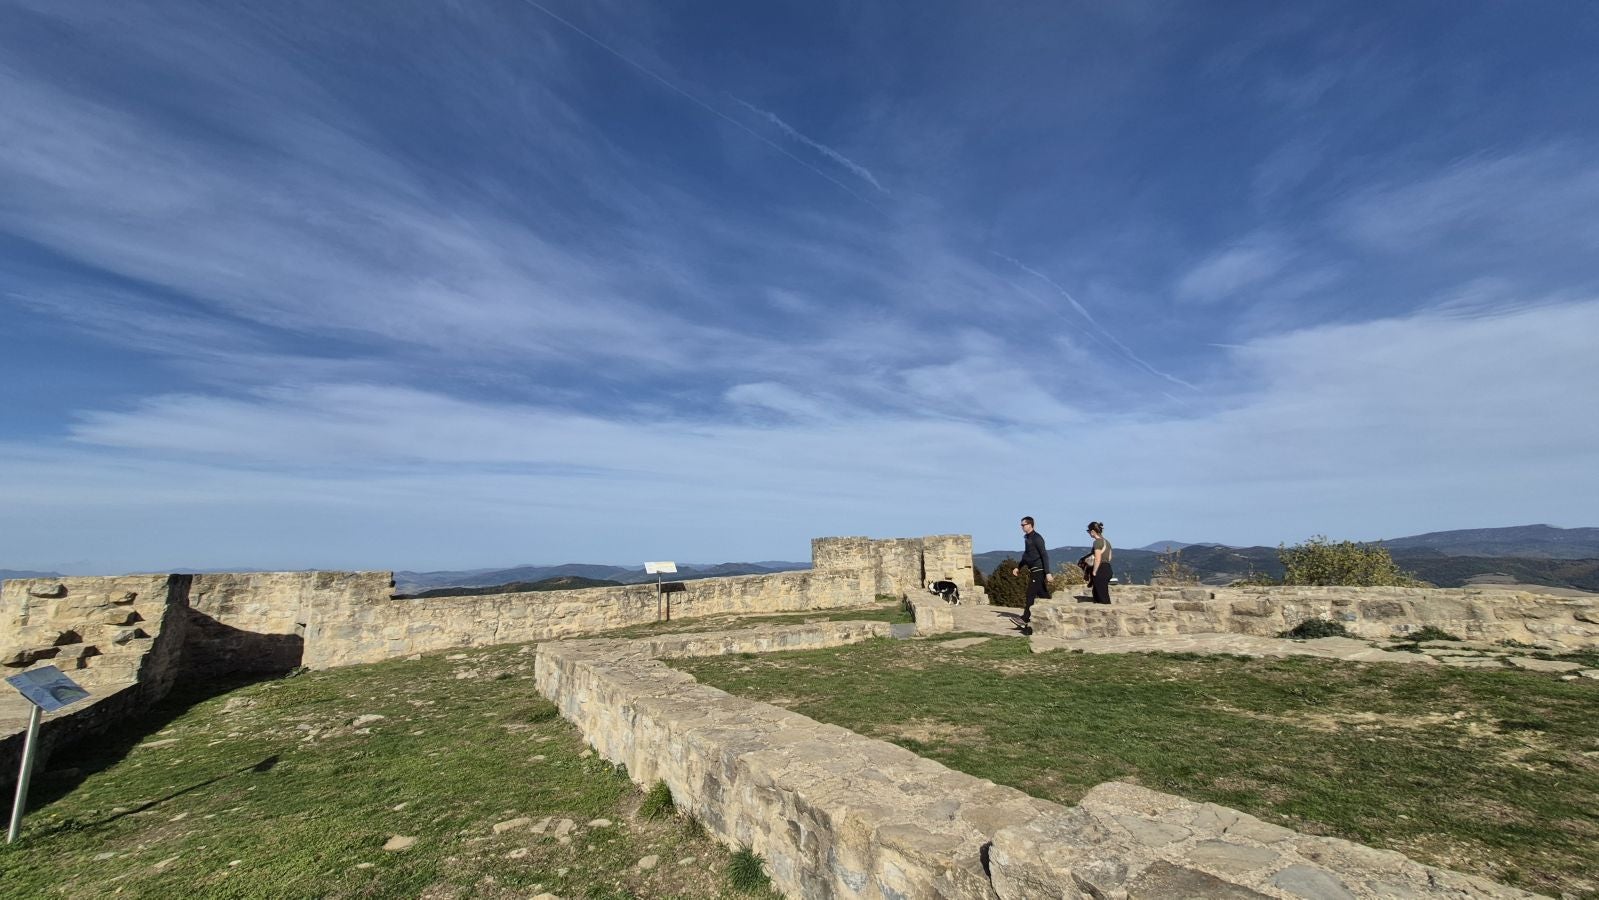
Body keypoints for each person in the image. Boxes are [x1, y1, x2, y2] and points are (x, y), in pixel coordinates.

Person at [1011, 516, 1049, 630]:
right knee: (1044, 595)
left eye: (1023, 525)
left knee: (1030, 594)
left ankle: (1025, 619)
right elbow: (1027, 555)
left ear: (1030, 525)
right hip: (1033, 570)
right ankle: (1053, 612)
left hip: (1039, 570)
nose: (1021, 527)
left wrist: (1048, 573)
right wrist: (1019, 567)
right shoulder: (1027, 538)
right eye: (1021, 525)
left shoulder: (1037, 538)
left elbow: (1044, 555)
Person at [1087, 521, 1113, 604]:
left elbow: (1098, 558)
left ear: (1092, 532)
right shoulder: (1107, 542)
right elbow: (1109, 557)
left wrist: (1094, 571)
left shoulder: (1097, 542)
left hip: (1100, 570)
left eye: (1088, 531)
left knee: (1100, 598)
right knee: (1104, 594)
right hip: (1108, 568)